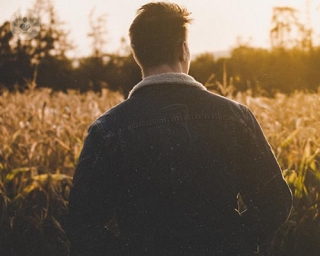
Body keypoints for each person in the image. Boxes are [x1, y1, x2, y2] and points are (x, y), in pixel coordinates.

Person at [66, 2, 293, 255]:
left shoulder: (107, 130)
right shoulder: (236, 118)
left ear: (137, 54)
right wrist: (230, 244)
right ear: (184, 50)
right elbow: (276, 203)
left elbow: (81, 225)